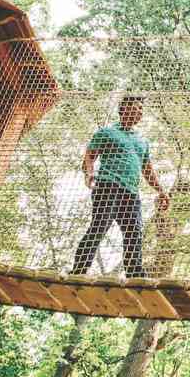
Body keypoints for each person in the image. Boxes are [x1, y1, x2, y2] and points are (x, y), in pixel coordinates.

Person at [72, 93, 170, 277]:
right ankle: (78, 270)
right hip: (108, 187)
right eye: (136, 107)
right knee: (100, 226)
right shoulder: (106, 132)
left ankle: (135, 275)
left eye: (142, 109)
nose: (140, 112)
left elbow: (147, 170)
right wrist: (89, 173)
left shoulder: (142, 141)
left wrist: (161, 191)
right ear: (123, 109)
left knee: (135, 233)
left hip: (131, 194)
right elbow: (89, 156)